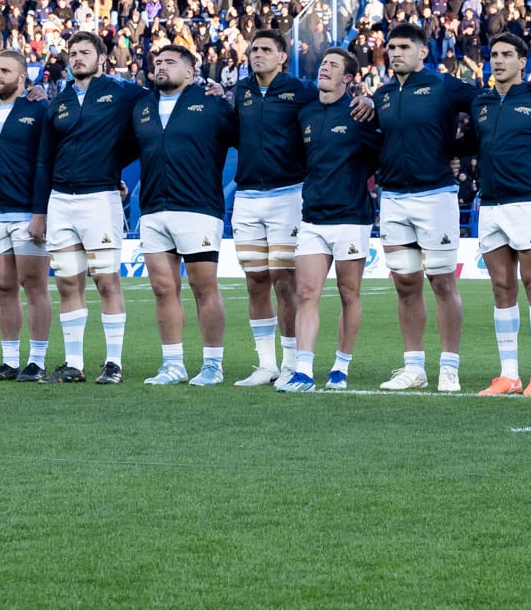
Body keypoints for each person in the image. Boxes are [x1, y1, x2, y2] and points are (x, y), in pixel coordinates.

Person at [373, 21, 478, 392]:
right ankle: (414, 367)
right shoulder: (383, 95)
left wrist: (459, 151)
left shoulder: (443, 86)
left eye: (404, 47)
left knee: (442, 282)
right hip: (394, 199)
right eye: (391, 47)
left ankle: (449, 367)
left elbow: (484, 106)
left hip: (435, 196)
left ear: (422, 53)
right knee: (404, 283)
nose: (395, 52)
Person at [468, 33, 531, 396]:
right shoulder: (480, 103)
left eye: (506, 55)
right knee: (501, 288)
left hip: (528, 203)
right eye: (493, 55)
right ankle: (509, 374)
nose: (498, 61)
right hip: (491, 204)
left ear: (522, 62)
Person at [133, 44, 239, 386]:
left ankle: (212, 364)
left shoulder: (211, 104)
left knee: (203, 287)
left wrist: (227, 95)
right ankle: (173, 364)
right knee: (163, 289)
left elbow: (244, 136)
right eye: (157, 62)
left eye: (170, 62)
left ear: (191, 72)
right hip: (152, 208)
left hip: (197, 208)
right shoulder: (142, 107)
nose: (161, 67)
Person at [279, 48, 383, 392]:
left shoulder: (360, 114)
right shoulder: (306, 114)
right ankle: (304, 372)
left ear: (349, 78)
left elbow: (382, 154)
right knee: (306, 293)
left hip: (351, 218)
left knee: (349, 294)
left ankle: (341, 367)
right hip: (312, 218)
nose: (324, 69)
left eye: (333, 66)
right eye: (323, 64)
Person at [38, 31, 138, 384]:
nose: (77, 57)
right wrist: (40, 211)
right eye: (73, 53)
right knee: (67, 283)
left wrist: (113, 167)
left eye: (84, 52)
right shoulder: (58, 102)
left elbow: (155, 111)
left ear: (102, 59)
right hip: (61, 201)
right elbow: (44, 161)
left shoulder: (122, 93)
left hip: (100, 199)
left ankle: (114, 363)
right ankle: (74, 363)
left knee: (106, 281)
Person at [231, 29, 311, 387]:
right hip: (247, 196)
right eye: (254, 49)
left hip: (287, 194)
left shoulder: (300, 91)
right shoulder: (240, 91)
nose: (257, 54)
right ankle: (267, 364)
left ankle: (292, 362)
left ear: (283, 56)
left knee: (284, 280)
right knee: (255, 281)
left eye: (265, 49)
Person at [0, 50, 53, 383]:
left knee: (33, 286)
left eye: (5, 71)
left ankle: (36, 361)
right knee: (3, 288)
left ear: (22, 78)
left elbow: (46, 163)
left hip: (26, 212)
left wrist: (41, 212)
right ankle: (9, 362)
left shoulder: (38, 111)